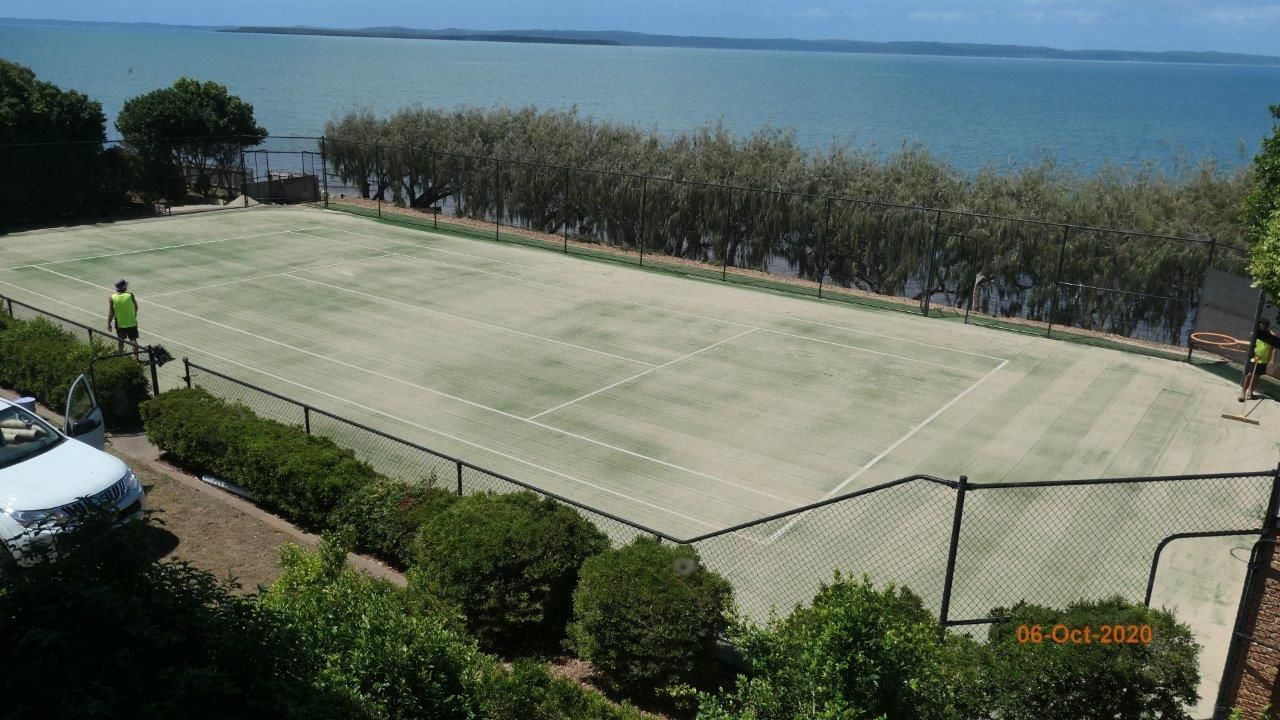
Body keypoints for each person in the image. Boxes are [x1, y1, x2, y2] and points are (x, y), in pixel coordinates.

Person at [1239, 317, 1280, 402]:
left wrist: (1272, 359)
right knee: (1249, 374)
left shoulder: (1271, 334)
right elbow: (1250, 340)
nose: (1263, 327)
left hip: (1263, 359)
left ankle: (1251, 392)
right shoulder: (1256, 332)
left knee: (1257, 376)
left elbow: (1274, 348)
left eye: (1265, 326)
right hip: (1254, 357)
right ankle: (1243, 393)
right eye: (1262, 325)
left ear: (1267, 326)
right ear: (1260, 325)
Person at [106, 278, 140, 361]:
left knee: (121, 340)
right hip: (132, 322)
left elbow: (111, 312)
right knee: (133, 340)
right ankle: (136, 358)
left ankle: (120, 355)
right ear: (124, 287)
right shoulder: (130, 295)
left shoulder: (112, 297)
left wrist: (109, 323)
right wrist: (134, 314)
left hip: (120, 323)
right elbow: (136, 307)